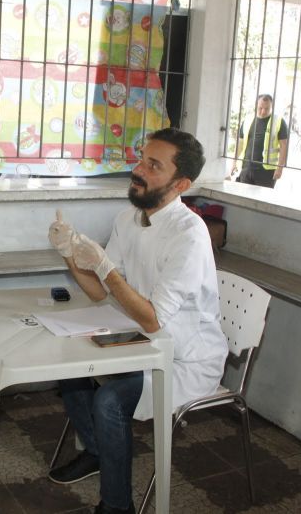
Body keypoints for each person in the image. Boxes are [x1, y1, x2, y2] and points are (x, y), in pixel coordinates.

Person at [46, 128, 228, 514]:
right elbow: (99, 291)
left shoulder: (189, 235)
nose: (138, 169)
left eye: (153, 165)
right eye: (142, 158)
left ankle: (117, 506)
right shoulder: (129, 218)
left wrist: (106, 268)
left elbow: (154, 317)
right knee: (70, 366)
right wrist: (68, 253)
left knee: (110, 400)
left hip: (183, 357)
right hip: (141, 338)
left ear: (180, 184)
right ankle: (98, 452)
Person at [232, 94, 288, 188]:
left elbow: (284, 146)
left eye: (267, 108)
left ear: (272, 107)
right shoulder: (248, 120)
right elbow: (240, 143)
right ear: (256, 106)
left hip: (267, 171)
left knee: (261, 200)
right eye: (260, 108)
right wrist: (234, 162)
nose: (263, 111)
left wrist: (280, 168)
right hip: (247, 168)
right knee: (243, 199)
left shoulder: (279, 121)